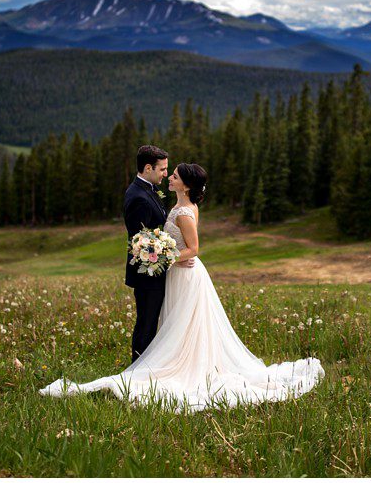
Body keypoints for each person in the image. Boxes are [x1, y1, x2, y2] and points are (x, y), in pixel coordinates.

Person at [39, 162, 324, 413]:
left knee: (184, 325)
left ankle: (182, 366)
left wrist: (165, 256)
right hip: (178, 274)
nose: (170, 177)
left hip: (185, 274)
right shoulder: (179, 206)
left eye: (174, 175)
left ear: (186, 185)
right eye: (169, 173)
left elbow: (195, 248)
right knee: (179, 323)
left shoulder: (184, 212)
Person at [122, 145, 172, 363]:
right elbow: (141, 241)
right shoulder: (138, 197)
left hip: (155, 271)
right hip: (147, 273)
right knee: (146, 323)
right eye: (162, 169)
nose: (166, 174)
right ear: (148, 167)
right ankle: (138, 370)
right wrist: (170, 254)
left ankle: (146, 367)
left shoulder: (148, 189)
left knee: (151, 322)